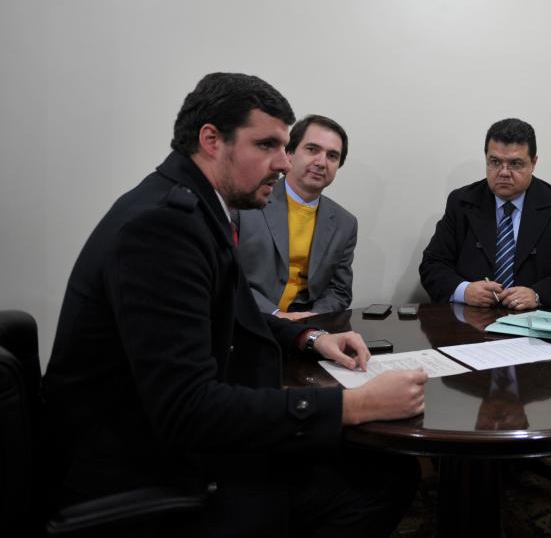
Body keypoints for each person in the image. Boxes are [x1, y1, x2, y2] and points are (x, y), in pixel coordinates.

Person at [43, 73, 428, 537]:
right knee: (381, 482)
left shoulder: (194, 206)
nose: (283, 163)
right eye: (267, 145)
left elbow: (237, 313)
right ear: (211, 140)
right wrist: (353, 405)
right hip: (144, 467)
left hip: (164, 442)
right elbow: (189, 409)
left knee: (384, 469)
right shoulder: (163, 229)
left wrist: (310, 337)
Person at [419, 118, 551, 312]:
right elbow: (432, 265)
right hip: (471, 319)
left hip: (536, 320)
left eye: (515, 163)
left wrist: (538, 295)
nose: (504, 172)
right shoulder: (461, 202)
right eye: (495, 162)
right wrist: (464, 290)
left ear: (533, 163)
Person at [236, 114, 357, 320]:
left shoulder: (345, 223)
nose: (321, 162)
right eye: (312, 149)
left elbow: (339, 290)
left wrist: (311, 318)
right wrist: (277, 315)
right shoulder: (244, 202)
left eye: (332, 156)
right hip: (249, 321)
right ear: (289, 153)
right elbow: (228, 277)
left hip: (307, 326)